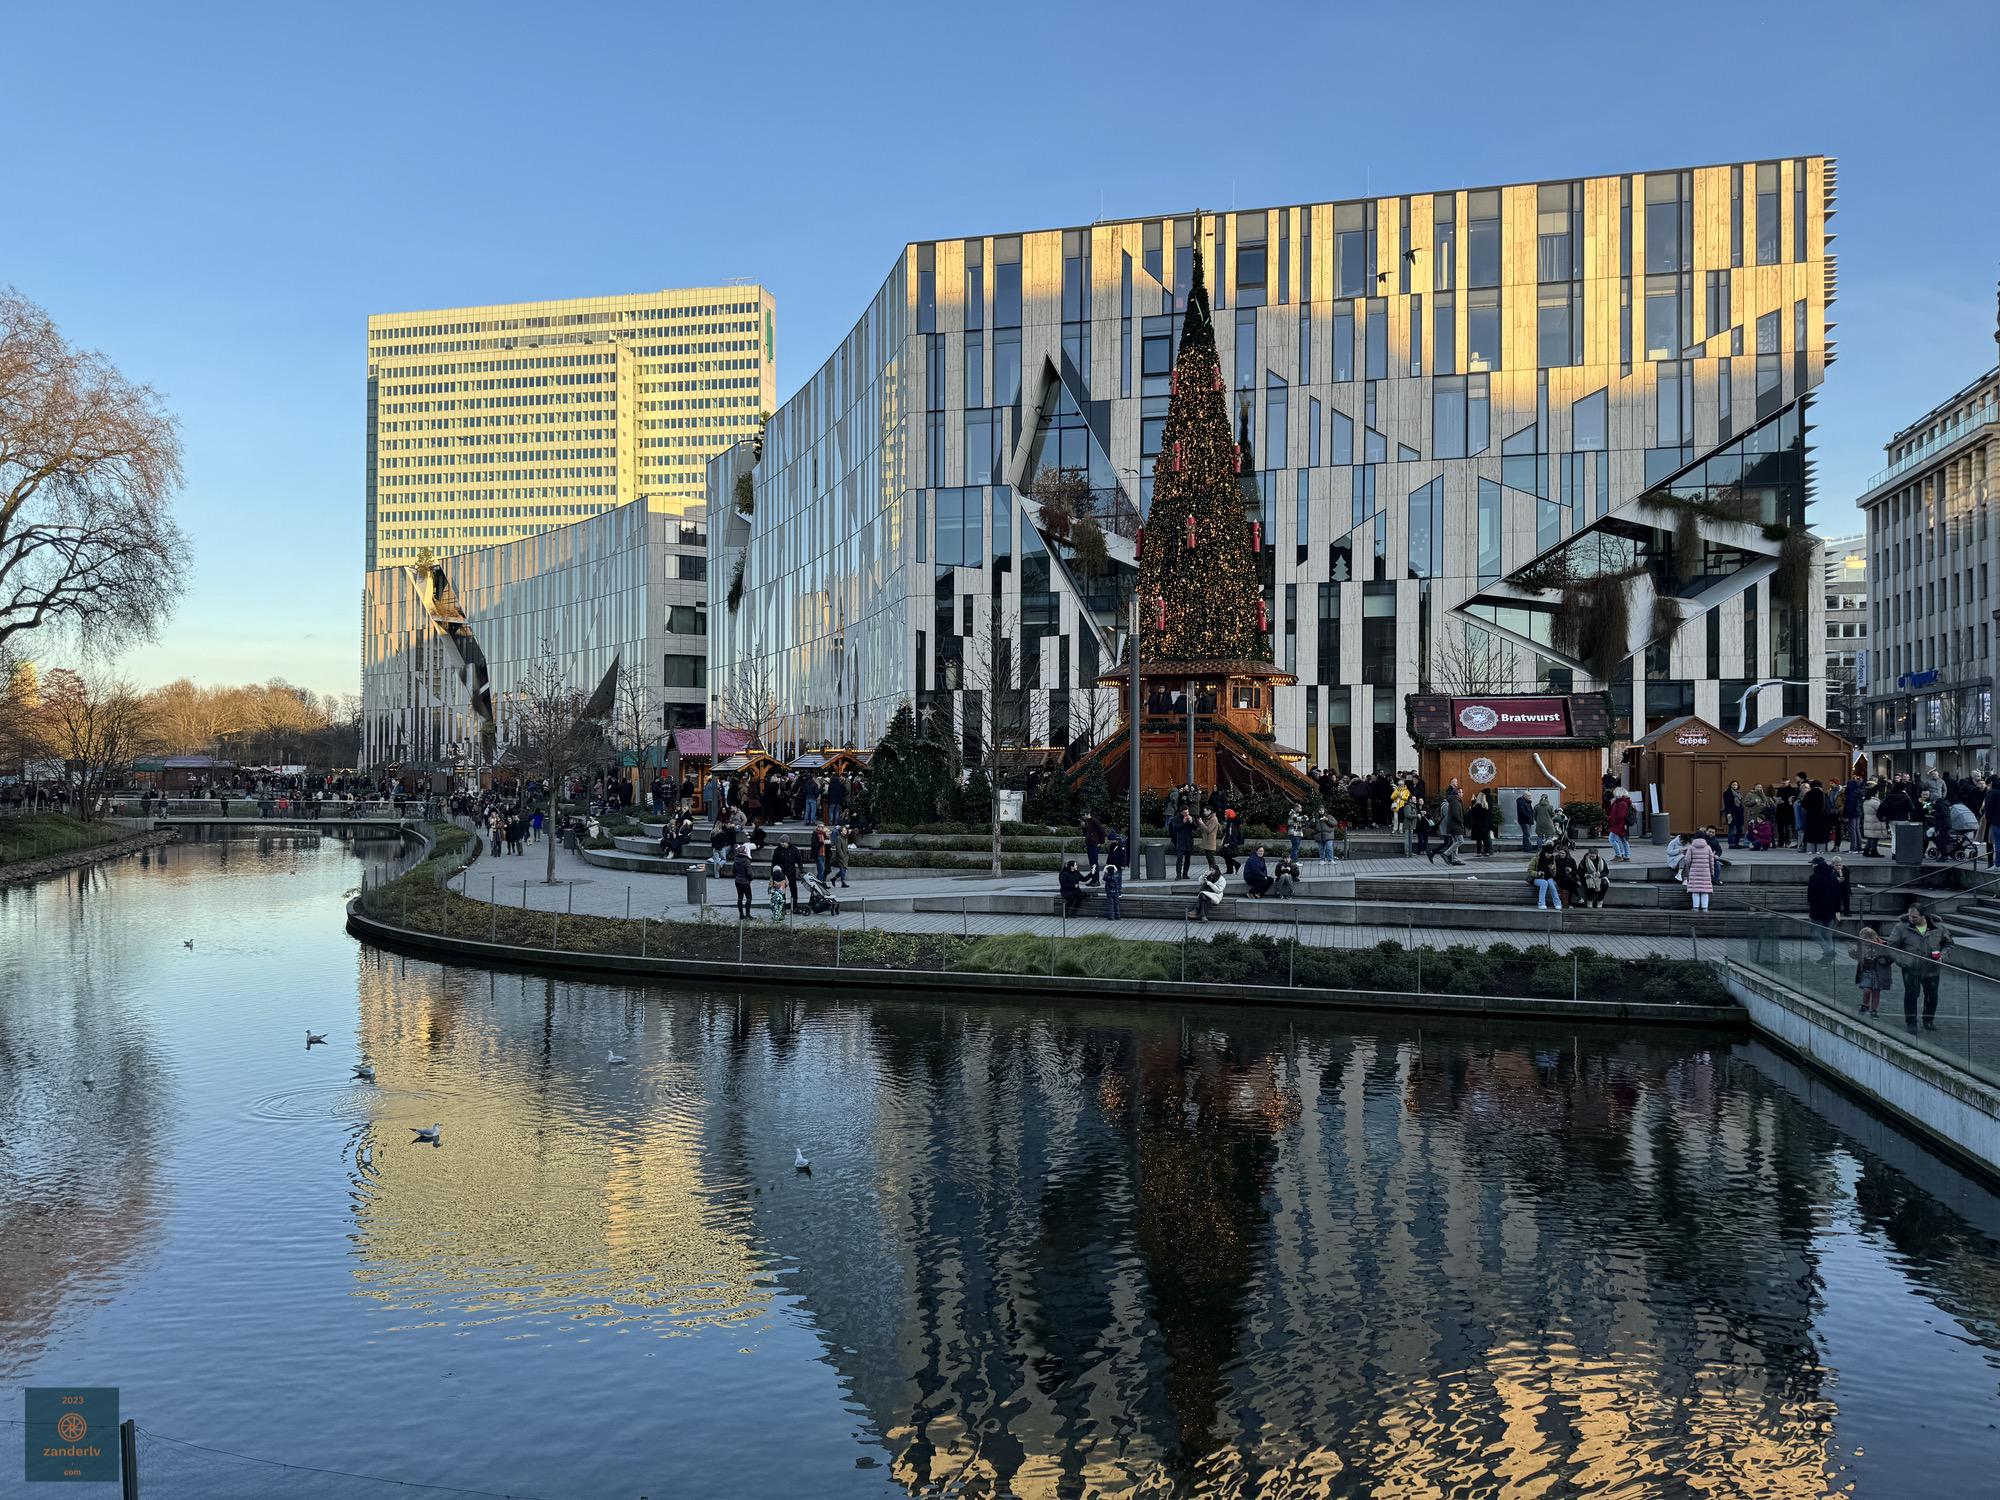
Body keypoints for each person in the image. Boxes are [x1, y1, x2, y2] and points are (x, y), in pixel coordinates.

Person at [1886, 901, 1951, 1031]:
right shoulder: (1901, 927)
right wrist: (1902, 960)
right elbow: (1891, 946)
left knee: (1932, 995)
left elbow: (1948, 944)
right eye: (1910, 916)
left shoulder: (1939, 928)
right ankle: (1911, 1022)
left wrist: (1942, 956)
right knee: (1911, 995)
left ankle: (1928, 1020)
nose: (1911, 919)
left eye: (1914, 917)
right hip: (1911, 968)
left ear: (1923, 916)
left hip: (1931, 968)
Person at [1806, 856, 1843, 960]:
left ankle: (1828, 951)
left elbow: (1811, 896)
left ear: (1816, 865)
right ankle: (1828, 957)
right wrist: (1837, 911)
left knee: (1815, 933)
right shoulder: (1833, 877)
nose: (1811, 866)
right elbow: (1837, 896)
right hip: (1830, 911)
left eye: (1812, 864)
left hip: (1816, 911)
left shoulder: (1814, 877)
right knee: (1827, 934)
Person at [1853, 927, 1892, 1019]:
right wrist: (1854, 952)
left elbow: (1891, 956)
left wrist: (1886, 961)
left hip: (1878, 973)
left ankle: (1874, 1010)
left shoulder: (1883, 945)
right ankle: (1865, 1004)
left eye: (1866, 941)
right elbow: (1857, 955)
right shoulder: (1862, 945)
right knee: (1867, 990)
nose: (1865, 943)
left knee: (1876, 992)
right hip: (1866, 971)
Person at [1682, 832, 1718, 912]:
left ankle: (1695, 907)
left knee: (1695, 890)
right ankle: (1705, 908)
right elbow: (1711, 861)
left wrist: (1689, 868)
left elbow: (1687, 860)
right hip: (1706, 872)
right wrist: (1712, 872)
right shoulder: (1708, 847)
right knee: (1705, 890)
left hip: (1694, 871)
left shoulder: (1691, 847)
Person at [1432, 789, 1466, 867]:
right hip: (1456, 825)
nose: (1462, 794)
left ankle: (1455, 859)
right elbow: (1455, 814)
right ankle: (1446, 854)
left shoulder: (1452, 801)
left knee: (1455, 841)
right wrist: (1461, 821)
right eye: (1460, 792)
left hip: (1452, 825)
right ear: (1457, 794)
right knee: (1460, 841)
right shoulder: (1456, 802)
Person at [771, 835, 802, 908]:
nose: (782, 844)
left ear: (788, 842)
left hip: (791, 872)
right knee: (781, 890)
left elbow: (799, 860)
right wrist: (772, 874)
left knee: (793, 889)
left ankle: (794, 904)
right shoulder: (777, 850)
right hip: (781, 873)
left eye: (783, 843)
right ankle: (782, 904)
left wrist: (801, 869)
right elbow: (774, 863)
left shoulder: (794, 849)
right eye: (781, 843)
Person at [1531, 844, 1563, 910]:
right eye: (1548, 853)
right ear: (1544, 852)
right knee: (1544, 883)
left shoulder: (1552, 860)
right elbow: (1529, 870)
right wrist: (1537, 873)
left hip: (1548, 877)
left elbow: (1553, 875)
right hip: (1537, 878)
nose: (1549, 855)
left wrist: (1552, 870)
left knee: (1551, 884)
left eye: (1551, 853)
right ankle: (1541, 903)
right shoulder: (1536, 858)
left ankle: (1558, 903)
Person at [1606, 790, 1633, 862]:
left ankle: (1619, 855)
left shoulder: (1621, 803)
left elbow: (1620, 816)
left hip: (1618, 825)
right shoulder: (1622, 802)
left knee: (1612, 839)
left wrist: (1612, 821)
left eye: (1615, 793)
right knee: (1623, 840)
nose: (1614, 794)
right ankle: (1626, 856)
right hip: (1622, 825)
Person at [731, 843, 756, 919]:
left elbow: (733, 871)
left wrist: (737, 876)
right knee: (749, 898)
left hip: (738, 881)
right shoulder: (746, 861)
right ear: (745, 851)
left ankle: (741, 915)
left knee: (740, 898)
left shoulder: (736, 860)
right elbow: (749, 873)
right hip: (745, 882)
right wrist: (751, 878)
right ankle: (748, 915)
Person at [1082, 811, 1106, 884]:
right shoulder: (1088, 822)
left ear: (1089, 814)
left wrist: (1101, 842)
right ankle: (1094, 879)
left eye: (1085, 814)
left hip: (1094, 844)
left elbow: (1102, 831)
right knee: (1092, 863)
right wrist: (1083, 827)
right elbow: (1086, 833)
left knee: (1094, 863)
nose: (1084, 816)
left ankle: (1096, 880)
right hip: (1090, 844)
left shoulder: (1094, 821)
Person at [1468, 792, 1493, 856]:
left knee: (1478, 840)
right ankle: (1487, 852)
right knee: (1486, 839)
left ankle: (1478, 852)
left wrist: (1472, 802)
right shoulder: (1486, 806)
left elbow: (1472, 815)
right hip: (1485, 825)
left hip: (1478, 826)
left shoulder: (1476, 806)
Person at [1173, 807, 1195, 881]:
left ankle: (1185, 874)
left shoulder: (1190, 817)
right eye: (1185, 812)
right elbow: (1175, 828)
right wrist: (1183, 823)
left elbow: (1195, 828)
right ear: (1181, 812)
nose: (1186, 814)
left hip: (1189, 841)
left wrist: (1191, 822)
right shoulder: (1176, 818)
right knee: (1179, 859)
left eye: (1187, 812)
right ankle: (1178, 875)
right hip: (1180, 841)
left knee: (1188, 859)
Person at [1198, 807, 1221, 875]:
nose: (1204, 813)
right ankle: (1212, 871)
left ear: (1209, 811)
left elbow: (1209, 830)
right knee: (1209, 858)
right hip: (1208, 841)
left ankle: (1216, 872)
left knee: (1211, 858)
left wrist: (1202, 823)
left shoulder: (1213, 819)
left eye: (1205, 811)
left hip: (1210, 842)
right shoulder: (1210, 818)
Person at [830, 822, 851, 888]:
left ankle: (834, 878)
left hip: (845, 855)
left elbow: (846, 847)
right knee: (842, 868)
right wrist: (842, 856)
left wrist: (847, 853)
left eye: (845, 830)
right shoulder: (838, 838)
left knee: (844, 869)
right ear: (841, 832)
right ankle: (843, 882)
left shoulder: (846, 838)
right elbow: (839, 849)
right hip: (840, 856)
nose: (845, 831)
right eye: (844, 830)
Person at [1723, 780, 1744, 848]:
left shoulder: (1738, 793)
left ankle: (1736, 843)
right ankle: (1731, 844)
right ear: (1731, 785)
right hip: (1732, 813)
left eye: (1736, 785)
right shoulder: (1727, 793)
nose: (1735, 786)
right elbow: (1727, 804)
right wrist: (1728, 813)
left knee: (1739, 829)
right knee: (1731, 829)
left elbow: (1740, 803)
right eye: (1733, 784)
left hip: (1739, 813)